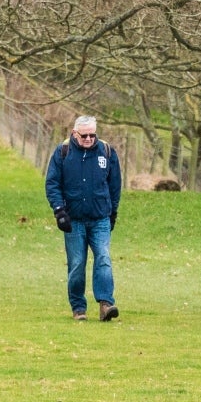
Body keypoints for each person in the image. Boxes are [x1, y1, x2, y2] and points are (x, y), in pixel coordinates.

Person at [44, 113, 123, 321]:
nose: (89, 139)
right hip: (74, 220)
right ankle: (78, 307)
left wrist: (113, 211)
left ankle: (106, 303)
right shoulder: (63, 153)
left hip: (100, 219)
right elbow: (52, 184)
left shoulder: (106, 153)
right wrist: (59, 210)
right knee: (77, 263)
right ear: (74, 133)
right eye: (84, 135)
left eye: (92, 135)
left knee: (104, 258)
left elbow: (115, 185)